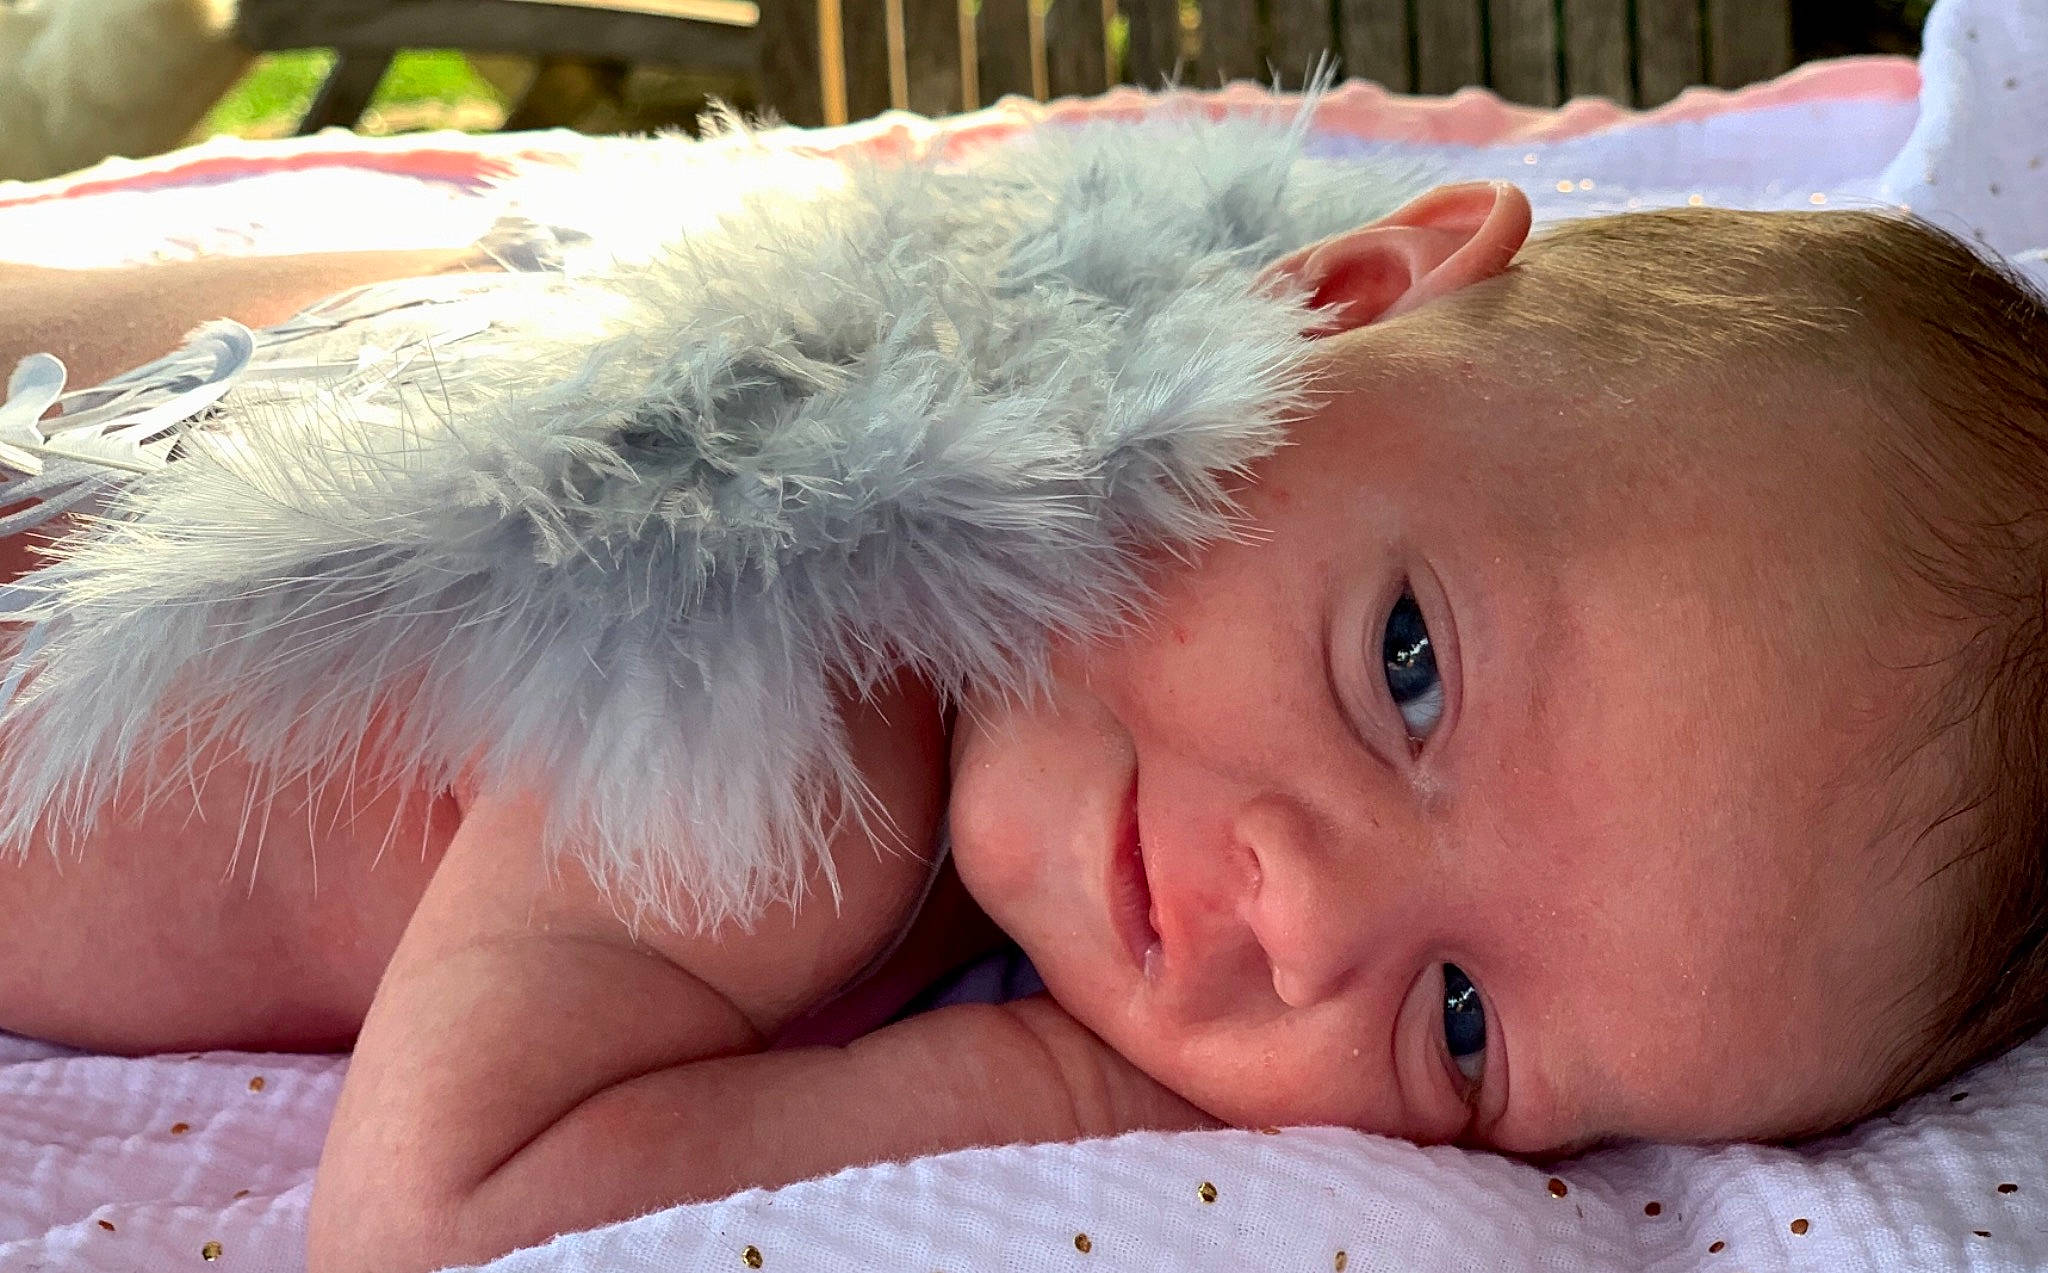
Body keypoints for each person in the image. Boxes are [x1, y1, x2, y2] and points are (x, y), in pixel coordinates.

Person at [3, 179, 2047, 1273]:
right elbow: (434, 1219)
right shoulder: (808, 723)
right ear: (1331, 294)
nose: (1307, 912)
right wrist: (1075, 1087)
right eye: (1406, 665)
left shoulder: (947, 423)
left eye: (1455, 1027)